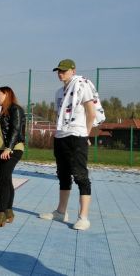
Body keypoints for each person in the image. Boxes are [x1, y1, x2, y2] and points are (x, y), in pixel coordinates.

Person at [39, 59, 105, 231]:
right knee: (63, 174)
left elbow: (91, 113)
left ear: (73, 71)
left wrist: (86, 134)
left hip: (77, 135)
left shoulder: (82, 86)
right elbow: (58, 115)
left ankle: (83, 217)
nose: (60, 73)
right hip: (61, 135)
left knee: (80, 175)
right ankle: (61, 212)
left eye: (64, 71)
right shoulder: (59, 92)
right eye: (58, 71)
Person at [0, 87, 25, 227]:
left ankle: (0, 214)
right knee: (6, 179)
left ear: (7, 94)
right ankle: (8, 211)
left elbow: (15, 129)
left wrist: (9, 148)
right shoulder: (2, 112)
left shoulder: (16, 109)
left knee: (2, 179)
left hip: (12, 149)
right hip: (0, 151)